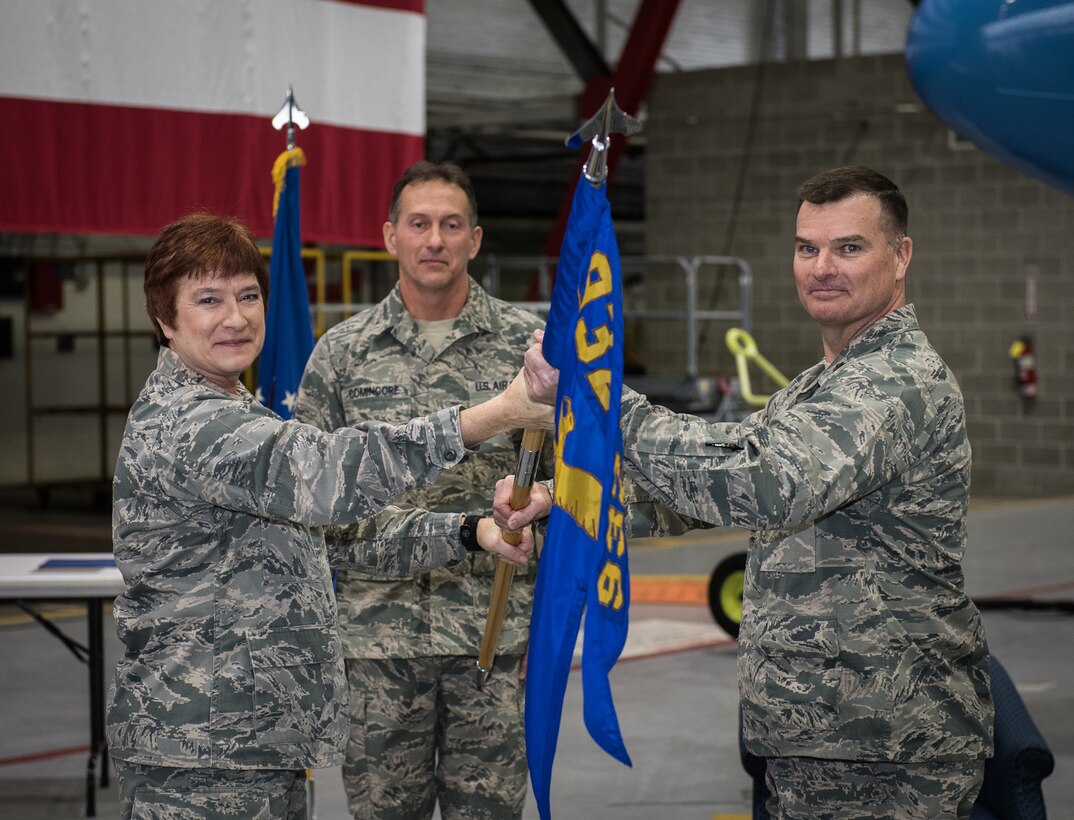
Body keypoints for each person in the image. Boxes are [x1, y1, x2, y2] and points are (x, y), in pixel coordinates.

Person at [496, 166, 994, 819]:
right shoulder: (819, 385)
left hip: (886, 745)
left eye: (849, 247)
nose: (822, 267)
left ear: (900, 256)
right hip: (825, 735)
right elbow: (704, 486)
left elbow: (761, 484)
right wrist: (569, 504)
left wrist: (601, 401)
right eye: (806, 248)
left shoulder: (897, 383)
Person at [107, 212, 549, 820]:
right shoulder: (193, 424)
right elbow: (333, 471)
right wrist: (499, 413)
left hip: (249, 744)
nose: (235, 317)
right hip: (203, 754)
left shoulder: (233, 404)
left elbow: (337, 536)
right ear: (165, 320)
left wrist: (470, 531)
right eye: (207, 300)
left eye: (248, 295)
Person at [293, 161, 549, 820]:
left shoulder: (534, 353)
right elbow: (313, 509)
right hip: (377, 649)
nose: (434, 239)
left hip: (494, 640)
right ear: (389, 236)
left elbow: (579, 483)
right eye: (419, 224)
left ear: (476, 239)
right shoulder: (341, 356)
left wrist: (538, 522)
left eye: (451, 224)